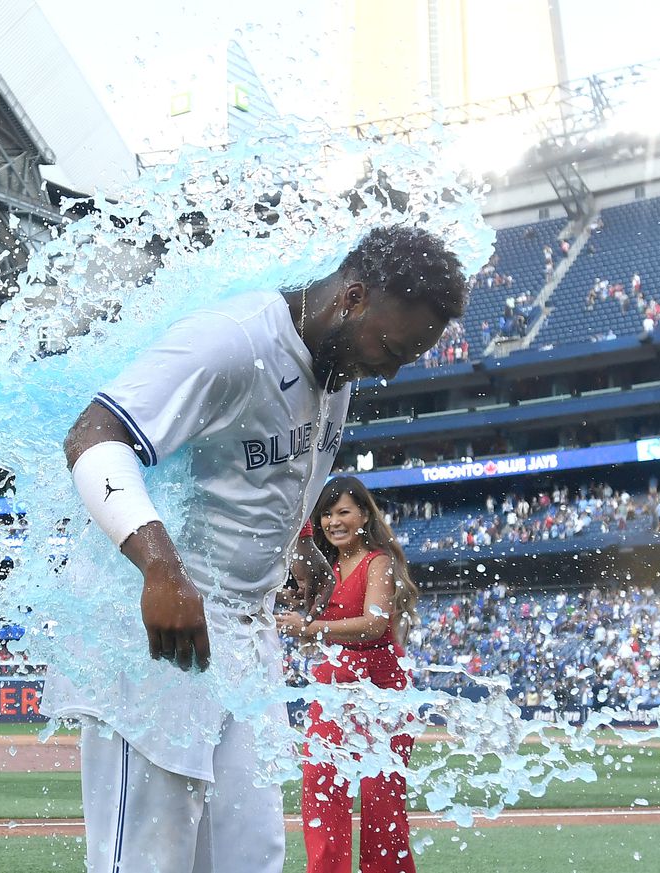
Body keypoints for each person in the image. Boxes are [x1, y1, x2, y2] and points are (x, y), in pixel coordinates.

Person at [50, 226, 468, 873]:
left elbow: (261, 475)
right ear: (352, 297)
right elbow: (94, 436)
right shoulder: (233, 340)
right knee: (148, 862)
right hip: (161, 629)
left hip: (245, 638)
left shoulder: (336, 367)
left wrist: (292, 550)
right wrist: (160, 566)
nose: (389, 369)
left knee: (253, 858)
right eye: (390, 347)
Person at [276, 476, 419, 873]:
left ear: (363, 516)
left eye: (343, 512)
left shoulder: (379, 562)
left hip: (381, 696)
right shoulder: (325, 571)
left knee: (382, 806)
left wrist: (306, 627)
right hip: (334, 691)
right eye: (326, 513)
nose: (334, 521)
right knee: (321, 791)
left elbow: (374, 625)